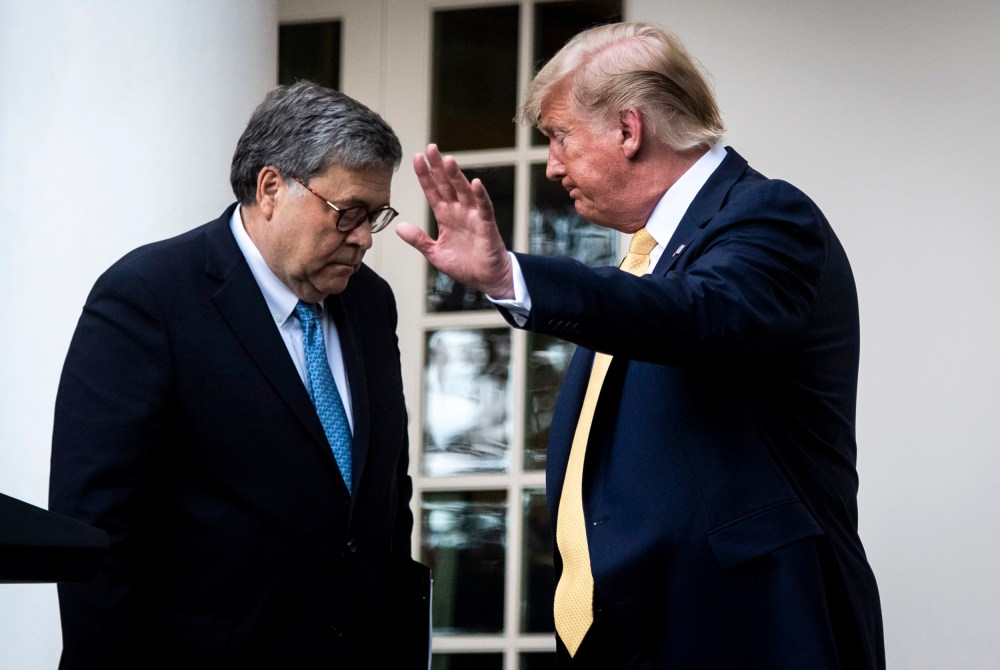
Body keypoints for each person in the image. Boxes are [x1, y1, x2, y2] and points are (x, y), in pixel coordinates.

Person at [397, 21, 884, 670]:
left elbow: (696, 314)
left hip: (750, 632)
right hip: (633, 636)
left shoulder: (767, 216)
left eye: (560, 136)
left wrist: (511, 278)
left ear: (629, 130)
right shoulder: (645, 261)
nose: (552, 165)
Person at [49, 81, 428, 669]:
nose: (361, 239)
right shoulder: (149, 296)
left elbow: (384, 501)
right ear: (271, 188)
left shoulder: (370, 303)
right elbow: (96, 528)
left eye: (374, 218)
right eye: (348, 213)